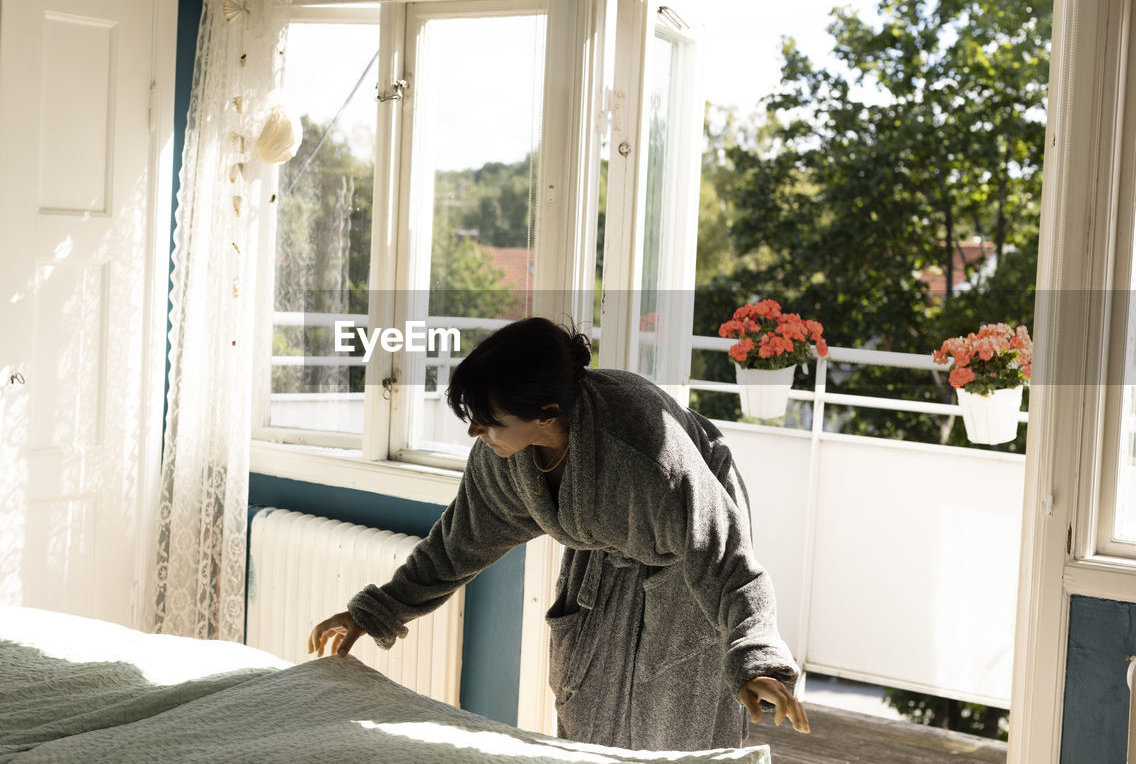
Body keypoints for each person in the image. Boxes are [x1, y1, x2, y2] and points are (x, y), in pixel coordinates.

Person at [308, 317, 810, 751]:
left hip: (688, 563)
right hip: (606, 553)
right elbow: (457, 543)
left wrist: (756, 656)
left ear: (546, 414)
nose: (474, 435)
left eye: (487, 423)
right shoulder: (505, 457)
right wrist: (376, 611)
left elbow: (725, 558)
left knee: (676, 719)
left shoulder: (647, 455)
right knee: (587, 709)